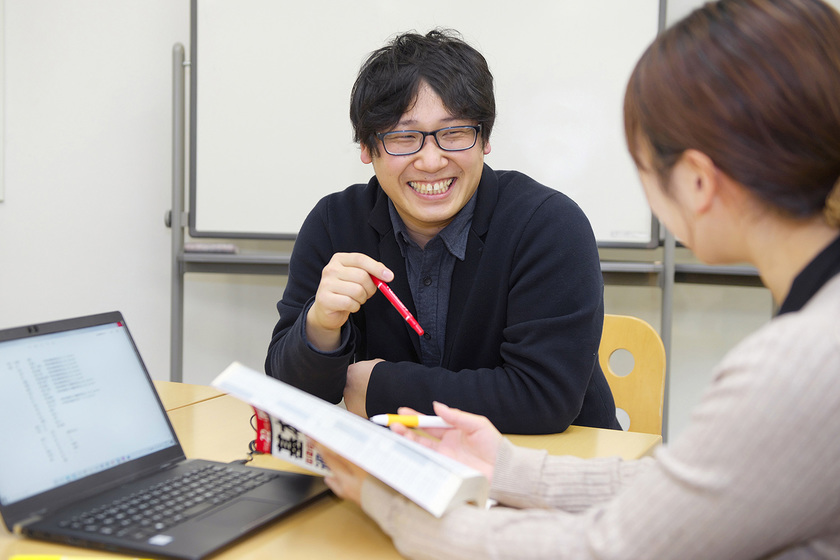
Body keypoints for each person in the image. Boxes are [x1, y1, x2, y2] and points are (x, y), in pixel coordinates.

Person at [316, 0, 840, 557]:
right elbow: (704, 491)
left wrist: (390, 504)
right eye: (405, 138)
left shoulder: (795, 366)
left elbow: (608, 548)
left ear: (696, 181)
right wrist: (509, 469)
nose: (430, 160)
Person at [265, 29, 620, 434]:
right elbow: (287, 397)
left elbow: (543, 398)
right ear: (366, 147)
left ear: (484, 139)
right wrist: (320, 326)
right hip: (395, 464)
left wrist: (382, 388)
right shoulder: (334, 223)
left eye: (454, 133)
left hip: (545, 465)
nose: (431, 161)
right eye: (404, 137)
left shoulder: (548, 225)